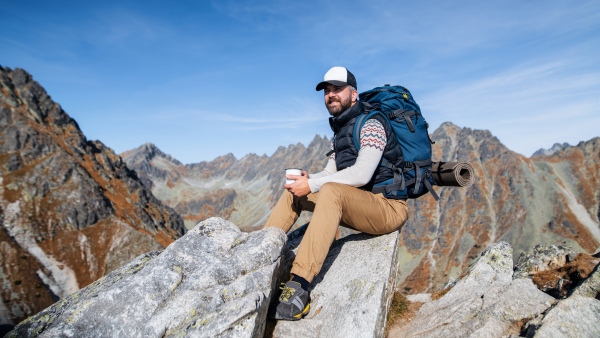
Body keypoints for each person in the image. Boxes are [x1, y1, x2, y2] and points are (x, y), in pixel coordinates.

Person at [266, 66, 409, 321]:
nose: (330, 95)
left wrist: (315, 185)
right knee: (294, 191)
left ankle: (299, 284)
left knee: (329, 190)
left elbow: (362, 174)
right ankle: (261, 253)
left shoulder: (372, 123)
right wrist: (307, 181)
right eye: (327, 91)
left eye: (337, 89)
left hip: (388, 207)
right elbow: (330, 172)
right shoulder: (340, 131)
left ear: (353, 95)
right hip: (359, 202)